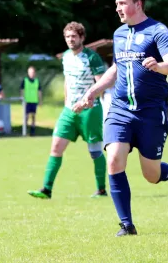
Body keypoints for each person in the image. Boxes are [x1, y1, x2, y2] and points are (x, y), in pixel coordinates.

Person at [76, 0, 168, 237]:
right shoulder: (118, 34)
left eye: (122, 3)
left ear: (138, 4)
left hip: (150, 112)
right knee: (114, 159)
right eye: (116, 4)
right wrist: (93, 92)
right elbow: (116, 69)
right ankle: (127, 225)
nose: (117, 8)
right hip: (120, 109)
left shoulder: (157, 30)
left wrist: (159, 66)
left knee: (151, 175)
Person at [27, 21, 108, 200]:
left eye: (74, 36)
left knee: (94, 151)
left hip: (90, 110)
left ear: (82, 38)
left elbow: (101, 84)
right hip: (69, 111)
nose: (70, 40)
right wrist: (66, 101)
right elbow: (67, 80)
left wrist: (87, 101)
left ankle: (101, 190)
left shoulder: (92, 57)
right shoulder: (65, 56)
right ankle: (46, 190)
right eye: (68, 37)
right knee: (56, 147)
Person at [20, 66, 42, 136]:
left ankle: (32, 131)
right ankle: (25, 131)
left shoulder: (37, 81)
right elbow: (22, 90)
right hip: (27, 101)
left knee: (33, 116)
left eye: (32, 72)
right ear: (28, 73)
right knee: (26, 116)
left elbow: (39, 91)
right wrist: (23, 99)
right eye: (30, 72)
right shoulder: (25, 80)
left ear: (34, 73)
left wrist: (40, 100)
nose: (31, 74)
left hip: (34, 101)